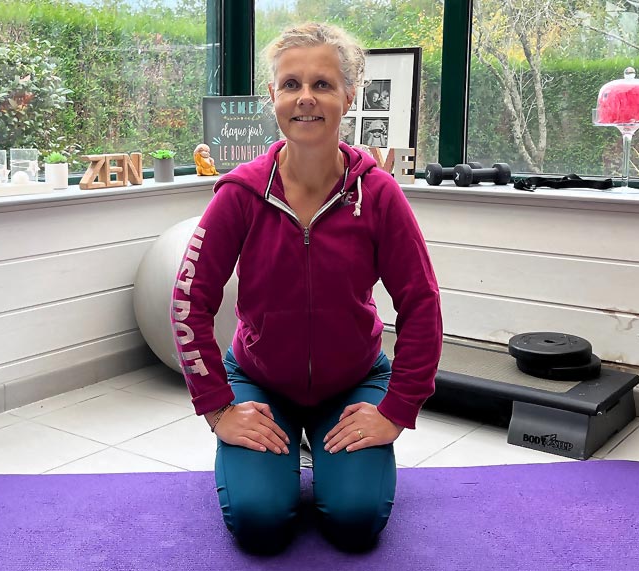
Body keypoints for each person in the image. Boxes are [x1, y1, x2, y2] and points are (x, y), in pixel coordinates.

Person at [171, 22, 442, 555]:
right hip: (260, 380)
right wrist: (220, 407)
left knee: (355, 523)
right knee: (260, 523)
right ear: (273, 96)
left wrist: (395, 409)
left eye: (322, 84)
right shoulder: (241, 194)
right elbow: (188, 301)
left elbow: (422, 303)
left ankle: (324, 450)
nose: (306, 99)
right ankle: (275, 459)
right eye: (291, 84)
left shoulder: (378, 195)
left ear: (349, 95)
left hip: (351, 382)